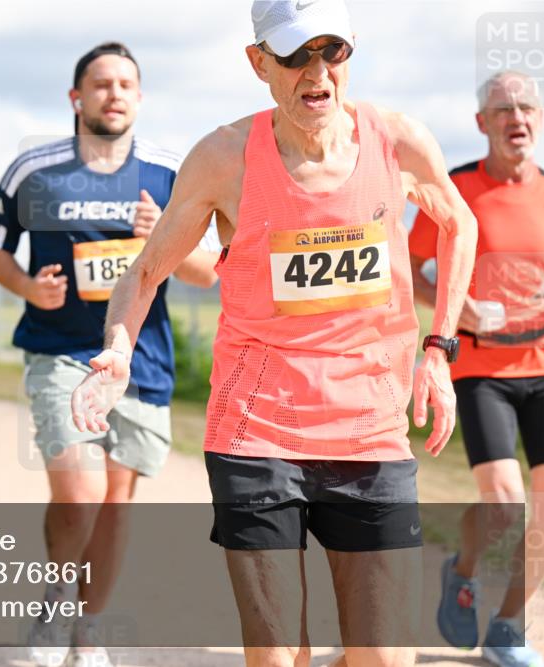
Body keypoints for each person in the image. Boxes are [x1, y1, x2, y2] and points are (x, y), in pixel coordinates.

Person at [70, 2, 481, 664]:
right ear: (259, 63)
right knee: (277, 655)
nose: (316, 72)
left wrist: (439, 351)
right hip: (256, 433)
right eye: (294, 55)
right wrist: (118, 347)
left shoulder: (397, 141)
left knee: (384, 655)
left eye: (333, 52)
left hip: (370, 431)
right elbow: (145, 272)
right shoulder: (223, 157)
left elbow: (460, 224)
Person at [0, 42, 219, 667]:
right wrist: (26, 287)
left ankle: (88, 626)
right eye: (101, 83)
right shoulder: (35, 168)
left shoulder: (169, 172)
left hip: (141, 359)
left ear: (139, 98)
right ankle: (58, 601)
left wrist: (159, 233)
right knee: (79, 491)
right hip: (61, 352)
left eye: (126, 85)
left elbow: (205, 272)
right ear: (76, 98)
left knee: (116, 501)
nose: (114, 94)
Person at [409, 70, 544, 667]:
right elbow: (408, 265)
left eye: (528, 108)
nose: (518, 117)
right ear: (481, 123)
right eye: (504, 108)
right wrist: (457, 307)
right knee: (504, 504)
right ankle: (462, 572)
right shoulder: (455, 188)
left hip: (543, 363)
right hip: (481, 368)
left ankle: (509, 628)